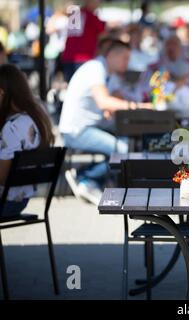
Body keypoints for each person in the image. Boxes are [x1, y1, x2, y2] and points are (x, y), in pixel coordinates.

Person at [59, 40, 152, 205]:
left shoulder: (110, 73)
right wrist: (139, 106)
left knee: (129, 144)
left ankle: (106, 182)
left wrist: (123, 104)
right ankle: (87, 179)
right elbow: (104, 102)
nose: (127, 62)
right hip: (76, 130)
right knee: (123, 149)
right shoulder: (96, 68)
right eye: (125, 57)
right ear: (112, 55)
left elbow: (116, 99)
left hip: (93, 126)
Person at [0, 64, 55, 216]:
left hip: (5, 203)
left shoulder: (11, 128)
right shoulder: (38, 116)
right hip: (22, 200)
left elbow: (3, 178)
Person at [61, 0, 106, 82]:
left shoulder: (75, 14)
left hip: (69, 57)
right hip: (83, 59)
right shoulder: (92, 17)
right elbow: (103, 37)